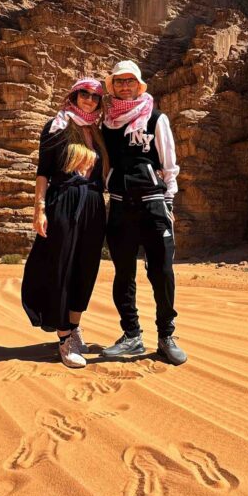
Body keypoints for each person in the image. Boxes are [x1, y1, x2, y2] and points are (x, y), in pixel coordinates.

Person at [100, 60, 187, 365]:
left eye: (130, 81)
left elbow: (169, 163)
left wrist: (170, 202)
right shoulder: (106, 123)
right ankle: (132, 336)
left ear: (139, 85)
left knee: (161, 273)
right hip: (121, 206)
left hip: (153, 205)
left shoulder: (156, 118)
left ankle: (166, 336)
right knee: (124, 275)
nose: (125, 86)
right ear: (113, 87)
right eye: (119, 82)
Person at [21, 78, 108, 368]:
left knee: (86, 268)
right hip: (64, 201)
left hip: (93, 205)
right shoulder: (57, 126)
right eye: (84, 94)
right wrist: (39, 208)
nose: (90, 100)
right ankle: (63, 338)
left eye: (96, 97)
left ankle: (74, 325)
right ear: (73, 95)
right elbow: (43, 172)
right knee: (62, 266)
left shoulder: (97, 130)